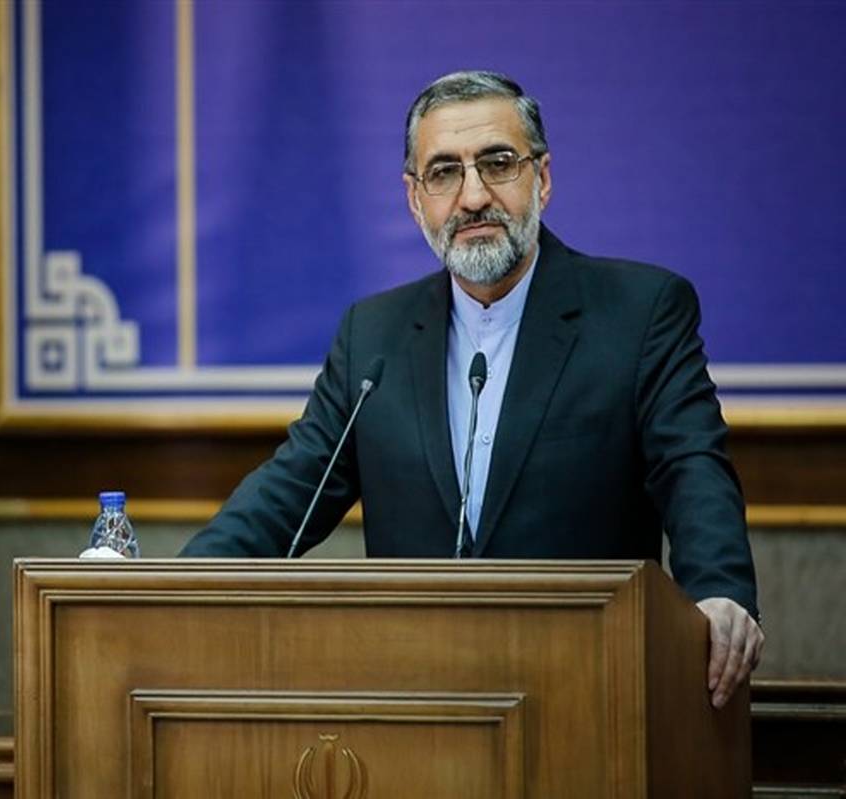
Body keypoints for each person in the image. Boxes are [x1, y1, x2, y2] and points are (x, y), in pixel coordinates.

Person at [179, 70, 763, 709]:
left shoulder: (639, 312)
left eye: (498, 164)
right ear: (414, 198)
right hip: (417, 698)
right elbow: (290, 491)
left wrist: (719, 592)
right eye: (444, 173)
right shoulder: (373, 335)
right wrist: (174, 588)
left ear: (542, 178)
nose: (473, 196)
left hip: (586, 688)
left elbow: (692, 468)